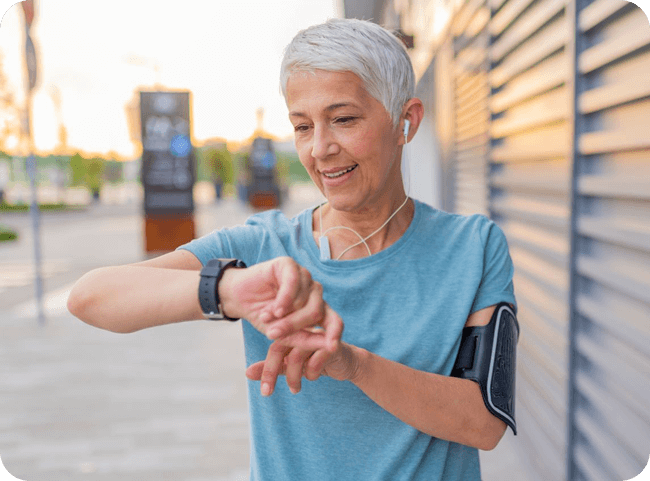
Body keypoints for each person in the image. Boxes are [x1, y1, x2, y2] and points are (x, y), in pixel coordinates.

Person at [68, 18, 517, 481]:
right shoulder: (260, 246)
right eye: (302, 127)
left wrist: (352, 363)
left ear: (407, 120)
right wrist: (231, 289)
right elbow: (90, 298)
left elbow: (482, 424)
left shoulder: (473, 247)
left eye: (343, 119)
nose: (320, 149)